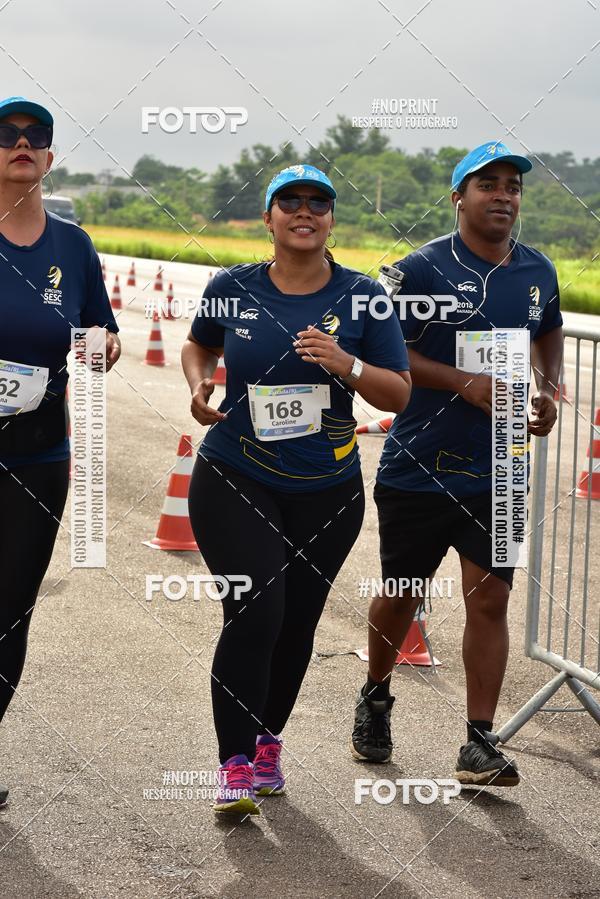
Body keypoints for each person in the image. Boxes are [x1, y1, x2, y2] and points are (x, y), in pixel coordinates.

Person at [182, 164, 411, 815]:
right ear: (269, 217)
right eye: (290, 202)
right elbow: (197, 346)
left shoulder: (364, 297)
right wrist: (198, 384)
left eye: (318, 202)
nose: (304, 211)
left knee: (296, 623)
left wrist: (348, 363)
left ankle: (266, 744)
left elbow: (398, 392)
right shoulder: (232, 287)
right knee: (257, 611)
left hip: (327, 490)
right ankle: (233, 767)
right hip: (235, 473)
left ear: (331, 219)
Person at [351, 141, 563, 786]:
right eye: (487, 184)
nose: (503, 195)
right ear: (458, 197)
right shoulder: (418, 269)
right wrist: (461, 382)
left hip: (502, 465)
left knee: (491, 598)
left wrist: (549, 386)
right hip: (419, 464)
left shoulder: (538, 269)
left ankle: (479, 740)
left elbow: (548, 328)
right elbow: (382, 352)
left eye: (512, 186)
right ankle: (375, 696)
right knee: (401, 594)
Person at [0, 96, 121, 806]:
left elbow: (99, 329)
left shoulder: (72, 246)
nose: (22, 143)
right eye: (7, 134)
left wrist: (103, 345)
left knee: (11, 608)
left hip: (38, 457)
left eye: (35, 136)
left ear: (48, 156)